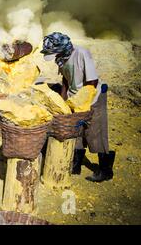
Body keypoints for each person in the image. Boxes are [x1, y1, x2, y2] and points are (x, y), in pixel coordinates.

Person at [41, 32, 115, 182]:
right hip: (75, 98)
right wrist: (62, 101)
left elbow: (92, 81)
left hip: (93, 96)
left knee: (95, 132)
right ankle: (76, 165)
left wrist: (84, 102)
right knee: (76, 130)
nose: (54, 56)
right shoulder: (61, 58)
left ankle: (105, 171)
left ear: (62, 47)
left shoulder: (81, 54)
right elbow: (66, 80)